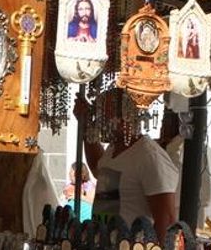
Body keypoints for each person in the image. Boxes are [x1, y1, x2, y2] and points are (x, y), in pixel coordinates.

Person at [77, 96, 179, 236]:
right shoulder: (113, 149)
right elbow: (98, 168)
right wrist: (86, 125)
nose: (100, 123)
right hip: (104, 246)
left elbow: (166, 219)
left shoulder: (149, 156)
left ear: (125, 117)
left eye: (104, 116)